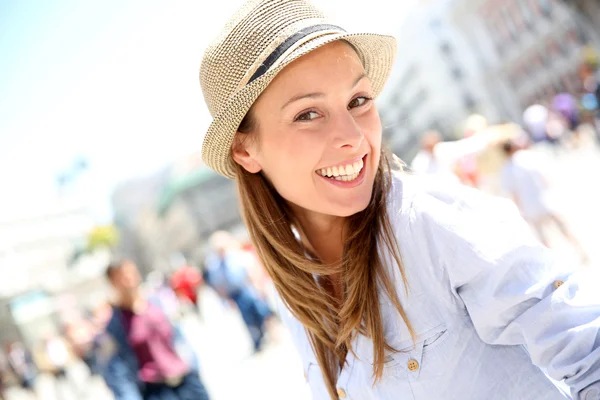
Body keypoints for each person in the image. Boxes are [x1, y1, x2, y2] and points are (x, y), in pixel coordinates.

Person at [198, 1, 600, 399]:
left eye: (358, 100)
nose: (354, 137)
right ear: (246, 150)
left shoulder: (431, 223)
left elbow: (590, 353)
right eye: (307, 114)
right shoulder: (296, 291)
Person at [100, 260, 209, 400]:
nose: (128, 279)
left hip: (186, 380)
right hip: (158, 389)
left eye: (130, 273)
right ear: (113, 283)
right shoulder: (115, 325)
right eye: (121, 276)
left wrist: (192, 365)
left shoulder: (157, 303)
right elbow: (117, 370)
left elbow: (178, 336)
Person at [500, 136, 588, 264]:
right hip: (546, 200)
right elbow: (546, 177)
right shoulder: (530, 157)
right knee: (564, 228)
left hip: (530, 207)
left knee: (543, 238)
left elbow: (514, 194)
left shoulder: (507, 169)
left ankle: (555, 263)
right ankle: (581, 251)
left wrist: (521, 211)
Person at [204, 231, 273, 353]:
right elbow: (218, 283)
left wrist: (258, 287)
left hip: (248, 288)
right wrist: (225, 298)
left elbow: (252, 270)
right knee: (248, 318)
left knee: (262, 311)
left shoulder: (237, 255)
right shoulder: (215, 264)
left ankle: (269, 332)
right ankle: (258, 338)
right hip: (236, 293)